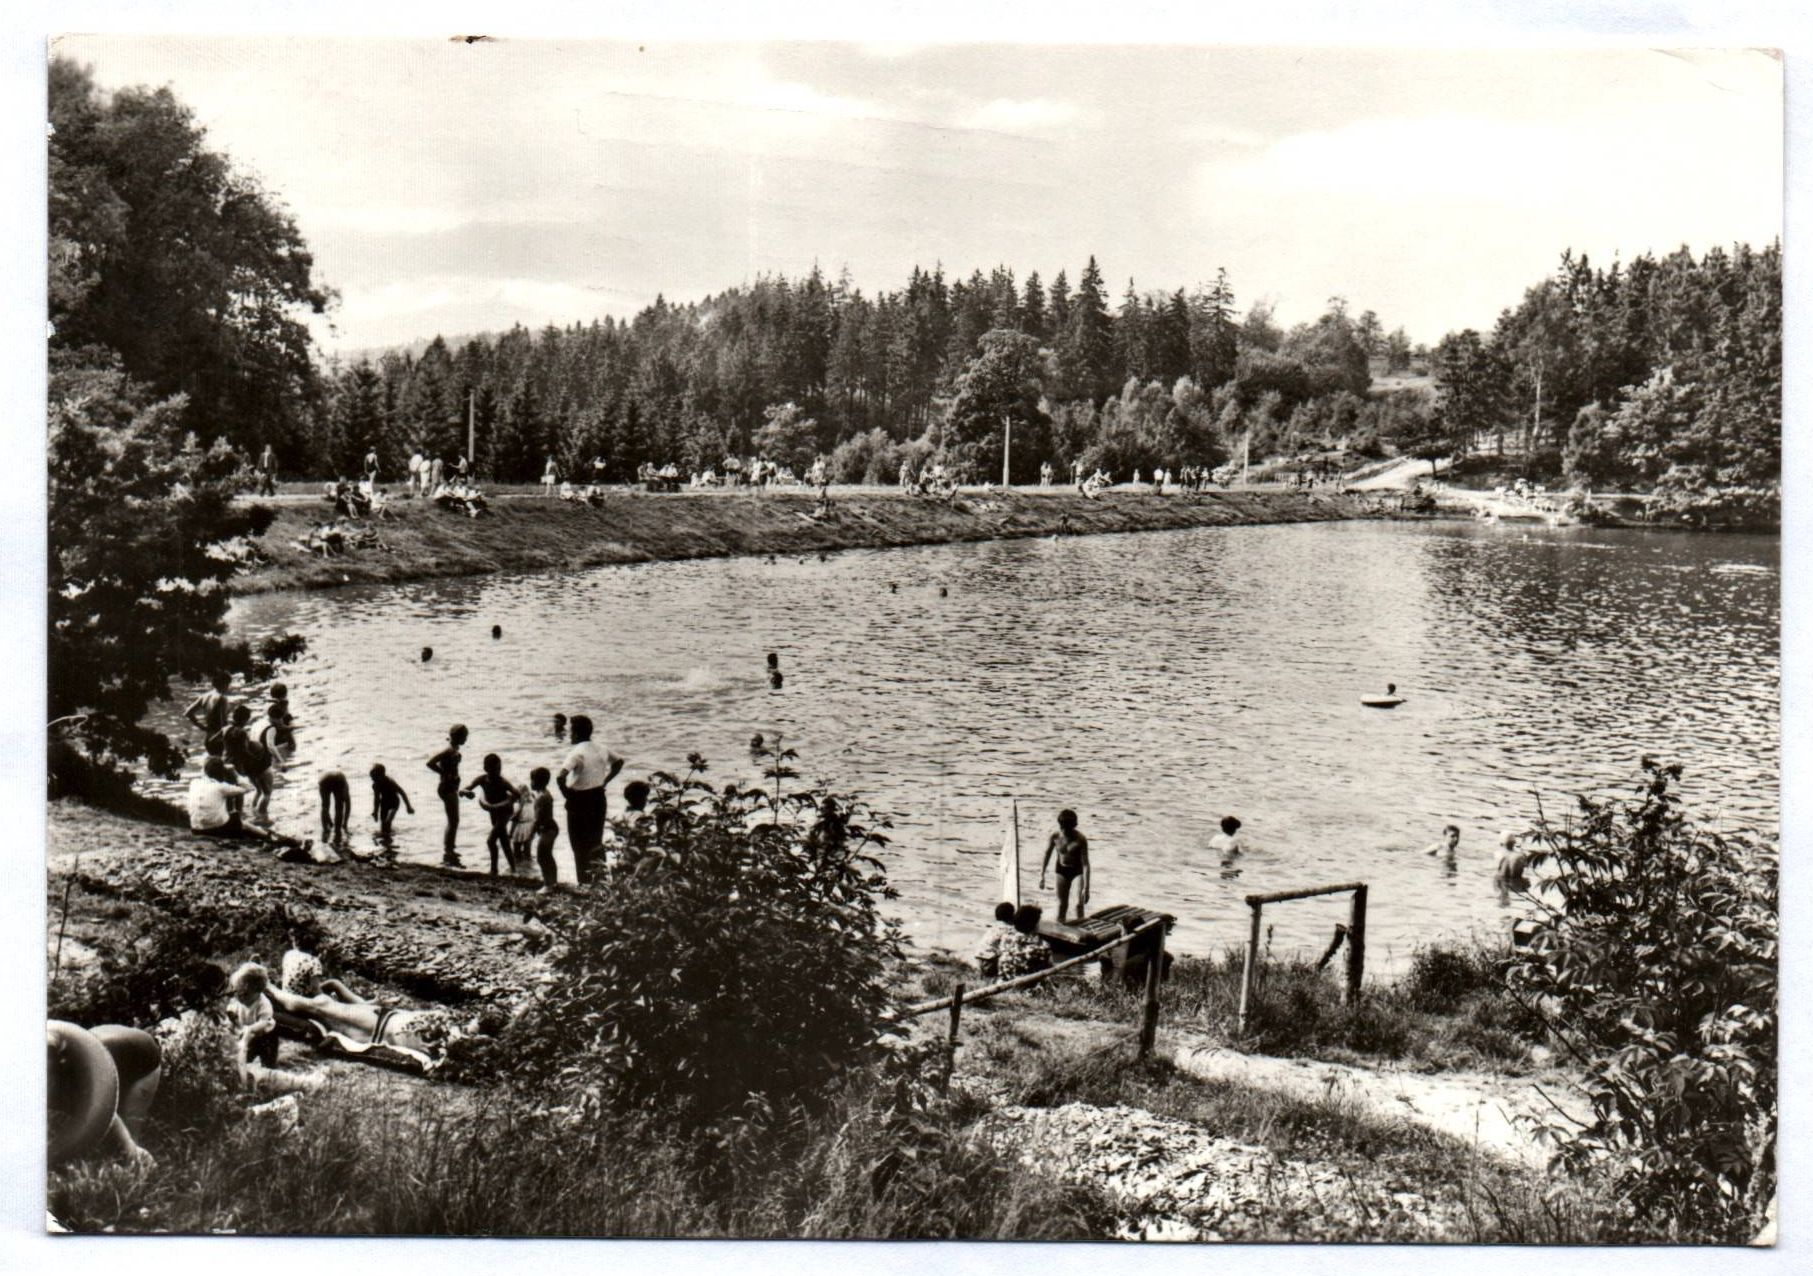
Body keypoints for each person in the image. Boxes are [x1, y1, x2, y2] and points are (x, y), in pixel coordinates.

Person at [47, 1021, 161, 1168]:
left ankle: (143, 1170)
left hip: (143, 1057)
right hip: (105, 1047)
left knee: (127, 1141)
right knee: (102, 1138)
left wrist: (128, 1148)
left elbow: (107, 1114)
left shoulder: (71, 1078)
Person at [188, 758, 312, 854]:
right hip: (215, 830)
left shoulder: (194, 783)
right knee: (242, 823)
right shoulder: (221, 788)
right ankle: (278, 839)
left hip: (196, 829)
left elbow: (204, 772)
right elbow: (249, 787)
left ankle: (273, 837)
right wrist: (234, 773)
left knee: (232, 816)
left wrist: (218, 767)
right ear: (221, 772)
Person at [558, 715, 622, 886]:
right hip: (598, 797)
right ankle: (600, 881)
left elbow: (560, 777)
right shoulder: (601, 748)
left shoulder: (577, 752)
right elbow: (619, 762)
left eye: (572, 732)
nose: (570, 735)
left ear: (577, 733)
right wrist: (606, 781)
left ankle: (584, 882)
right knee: (595, 841)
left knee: (578, 844)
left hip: (579, 800)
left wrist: (567, 795)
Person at [461, 753, 522, 876]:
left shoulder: (503, 782)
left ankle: (494, 869)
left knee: (491, 841)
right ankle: (514, 869)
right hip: (493, 812)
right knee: (504, 840)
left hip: (505, 812)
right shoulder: (482, 779)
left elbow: (517, 794)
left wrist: (507, 802)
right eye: (494, 769)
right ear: (486, 769)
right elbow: (465, 789)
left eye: (499, 769)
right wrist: (466, 793)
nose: (498, 772)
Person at [218, 704, 275, 821]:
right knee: (239, 792)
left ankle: (229, 816)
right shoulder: (242, 733)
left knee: (229, 792)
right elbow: (244, 751)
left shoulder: (225, 729)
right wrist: (257, 758)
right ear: (244, 719)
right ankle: (238, 817)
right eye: (247, 719)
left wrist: (227, 747)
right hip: (237, 765)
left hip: (224, 761)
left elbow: (213, 740)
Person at [426, 724, 469, 866]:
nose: (466, 739)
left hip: (451, 787)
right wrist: (443, 773)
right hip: (447, 787)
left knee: (453, 820)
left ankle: (449, 849)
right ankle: (449, 850)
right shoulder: (449, 750)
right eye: (465, 737)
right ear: (458, 737)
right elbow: (430, 762)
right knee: (454, 820)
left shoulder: (454, 749)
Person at [1039, 809, 1091, 924]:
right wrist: (1042, 875)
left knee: (1078, 904)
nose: (1066, 831)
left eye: (1069, 829)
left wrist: (1086, 888)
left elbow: (1086, 864)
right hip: (1061, 870)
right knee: (1062, 905)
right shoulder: (1055, 836)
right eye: (1063, 828)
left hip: (1077, 871)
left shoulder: (1081, 839)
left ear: (1074, 826)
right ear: (1060, 825)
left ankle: (1081, 927)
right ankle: (1060, 928)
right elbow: (1046, 854)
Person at [228, 962, 281, 1071]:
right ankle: (243, 1070)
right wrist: (231, 1016)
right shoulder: (238, 1001)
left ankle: (269, 1070)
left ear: (257, 991)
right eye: (238, 994)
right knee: (243, 1058)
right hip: (249, 1036)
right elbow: (232, 1009)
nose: (240, 998)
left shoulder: (264, 1004)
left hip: (266, 1036)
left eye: (245, 995)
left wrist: (250, 1029)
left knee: (268, 1062)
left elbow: (264, 1022)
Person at [997, 904, 1052, 978]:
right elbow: (1048, 969)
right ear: (1035, 925)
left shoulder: (1005, 937)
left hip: (1005, 977)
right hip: (1027, 983)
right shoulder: (1043, 946)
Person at [973, 901, 1019, 979]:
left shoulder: (995, 927)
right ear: (1011, 916)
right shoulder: (1008, 929)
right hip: (990, 961)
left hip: (978, 959)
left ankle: (985, 975)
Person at [184, 671, 233, 740]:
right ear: (224, 684)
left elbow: (188, 713)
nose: (228, 687)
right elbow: (224, 724)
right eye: (228, 684)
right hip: (219, 738)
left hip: (208, 737)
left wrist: (201, 726)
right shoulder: (222, 699)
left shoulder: (204, 696)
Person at [370, 763, 414, 840]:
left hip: (394, 802)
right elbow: (376, 799)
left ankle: (389, 839)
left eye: (375, 777)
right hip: (384, 803)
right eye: (372, 778)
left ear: (382, 775)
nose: (373, 780)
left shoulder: (390, 782)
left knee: (388, 821)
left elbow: (402, 792)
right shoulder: (375, 785)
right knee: (383, 827)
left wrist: (408, 806)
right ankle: (386, 840)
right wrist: (375, 812)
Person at [318, 770, 351, 843]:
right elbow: (348, 805)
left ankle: (325, 829)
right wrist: (345, 823)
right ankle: (337, 830)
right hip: (337, 780)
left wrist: (330, 822)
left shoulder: (342, 779)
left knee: (325, 805)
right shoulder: (344, 783)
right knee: (339, 807)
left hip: (323, 780)